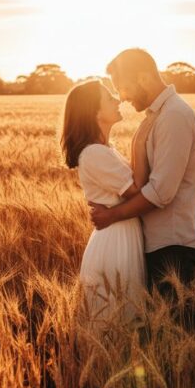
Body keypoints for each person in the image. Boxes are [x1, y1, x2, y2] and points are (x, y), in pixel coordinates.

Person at [89, 48, 195, 303]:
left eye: (123, 87)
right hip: (163, 242)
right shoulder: (158, 116)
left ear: (143, 77)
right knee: (166, 330)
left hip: (174, 243)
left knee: (174, 331)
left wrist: (111, 215)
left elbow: (161, 192)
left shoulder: (173, 116)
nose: (122, 97)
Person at [61, 79, 146, 331]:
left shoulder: (105, 150)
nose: (118, 99)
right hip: (115, 244)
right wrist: (141, 143)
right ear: (94, 112)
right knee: (115, 323)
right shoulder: (95, 154)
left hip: (122, 234)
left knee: (123, 321)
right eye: (109, 98)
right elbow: (138, 191)